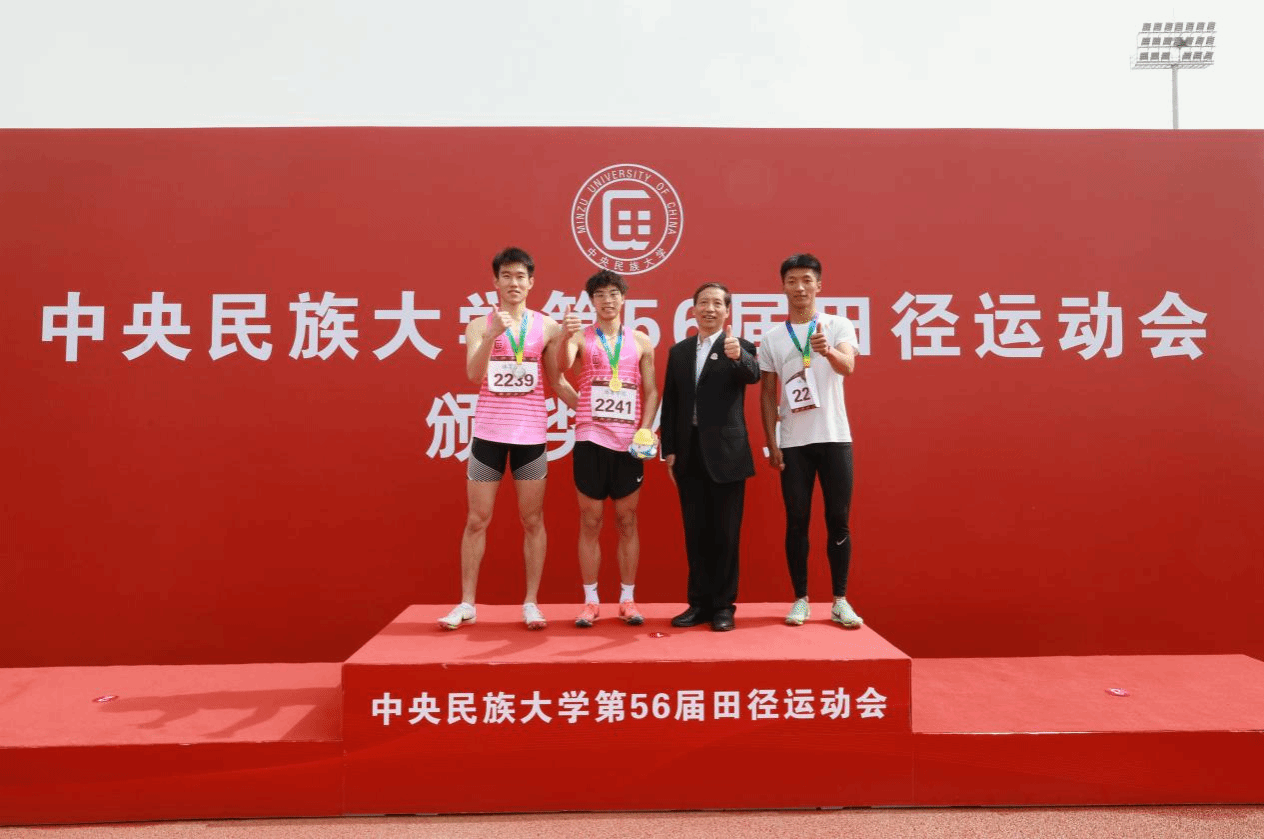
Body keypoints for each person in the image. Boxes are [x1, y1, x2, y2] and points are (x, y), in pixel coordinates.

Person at [438, 247, 574, 631]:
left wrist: (591, 412)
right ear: (495, 282)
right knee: (476, 519)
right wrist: (492, 336)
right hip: (488, 436)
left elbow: (558, 380)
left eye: (520, 277)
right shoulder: (479, 325)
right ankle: (466, 603)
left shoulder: (547, 327)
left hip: (530, 437)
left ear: (531, 283)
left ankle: (531, 603)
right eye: (507, 276)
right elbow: (473, 374)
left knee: (532, 519)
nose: (514, 283)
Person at [758, 253, 864, 629]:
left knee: (838, 520)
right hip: (794, 443)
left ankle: (840, 600)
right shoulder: (772, 338)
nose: (800, 287)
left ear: (819, 285)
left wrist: (827, 350)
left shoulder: (838, 325)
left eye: (807, 280)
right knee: (797, 521)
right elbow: (767, 394)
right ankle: (800, 599)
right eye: (792, 281)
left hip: (835, 437)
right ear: (783, 287)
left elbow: (848, 367)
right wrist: (772, 443)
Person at [554, 270, 659, 628]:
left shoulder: (641, 341)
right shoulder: (580, 337)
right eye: (600, 295)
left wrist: (645, 429)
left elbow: (651, 391)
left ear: (623, 298)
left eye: (613, 293)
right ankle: (591, 601)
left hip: (628, 443)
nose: (607, 300)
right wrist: (565, 336)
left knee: (627, 520)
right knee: (591, 520)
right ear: (592, 301)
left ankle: (627, 599)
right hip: (590, 439)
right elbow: (562, 367)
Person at [660, 283, 759, 632]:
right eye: (704, 303)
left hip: (727, 455)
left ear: (727, 311)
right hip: (688, 454)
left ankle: (723, 606)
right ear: (694, 309)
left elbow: (753, 375)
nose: (710, 309)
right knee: (696, 532)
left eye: (717, 303)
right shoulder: (680, 351)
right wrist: (669, 450)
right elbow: (671, 402)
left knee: (726, 534)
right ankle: (698, 603)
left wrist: (738, 356)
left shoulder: (739, 346)